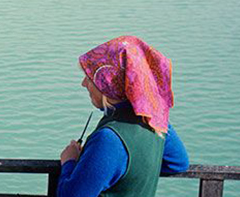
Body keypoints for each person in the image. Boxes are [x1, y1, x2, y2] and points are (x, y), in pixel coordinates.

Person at [58, 35, 189, 197]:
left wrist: (69, 162)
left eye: (90, 78)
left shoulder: (109, 139)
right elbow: (178, 163)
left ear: (108, 85)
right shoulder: (154, 120)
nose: (83, 83)